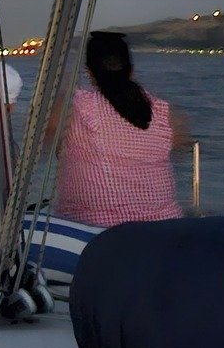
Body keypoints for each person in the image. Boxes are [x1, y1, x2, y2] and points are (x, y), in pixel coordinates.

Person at [53, 31, 189, 229]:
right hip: (163, 232)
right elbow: (180, 147)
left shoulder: (77, 108)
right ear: (131, 71)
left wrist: (62, 84)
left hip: (95, 235)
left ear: (89, 73)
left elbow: (44, 137)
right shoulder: (165, 114)